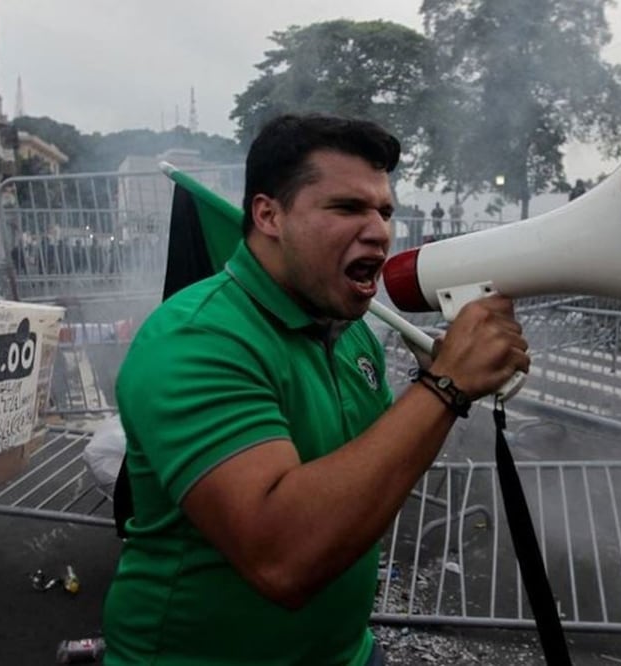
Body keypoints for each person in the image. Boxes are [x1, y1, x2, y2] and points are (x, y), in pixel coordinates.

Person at [102, 113, 529, 665]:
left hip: (348, 654)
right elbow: (282, 558)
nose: (378, 230)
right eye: (347, 208)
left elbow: (363, 481)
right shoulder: (196, 339)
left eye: (384, 211)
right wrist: (444, 387)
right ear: (268, 214)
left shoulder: (352, 336)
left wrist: (452, 381)